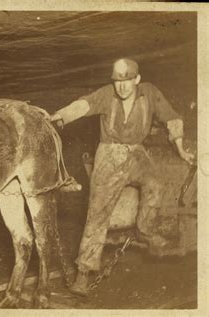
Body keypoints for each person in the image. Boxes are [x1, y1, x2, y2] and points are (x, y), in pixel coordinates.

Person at [49, 58, 195, 296]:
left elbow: (172, 118)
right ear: (113, 81)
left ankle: (145, 230)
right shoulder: (107, 95)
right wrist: (59, 116)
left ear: (137, 80)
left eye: (127, 80)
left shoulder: (150, 93)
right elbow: (84, 105)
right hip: (109, 155)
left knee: (155, 184)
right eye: (118, 81)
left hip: (136, 153)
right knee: (97, 214)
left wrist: (180, 150)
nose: (122, 86)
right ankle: (83, 274)